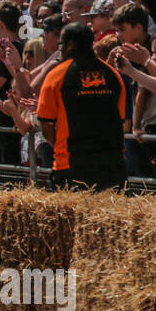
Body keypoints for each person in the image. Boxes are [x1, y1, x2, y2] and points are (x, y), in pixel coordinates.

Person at [36, 22, 127, 190]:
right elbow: (120, 120)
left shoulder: (56, 75)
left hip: (71, 166)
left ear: (70, 45)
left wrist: (59, 146)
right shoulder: (113, 75)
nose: (60, 49)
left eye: (61, 44)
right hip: (111, 164)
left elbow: (45, 125)